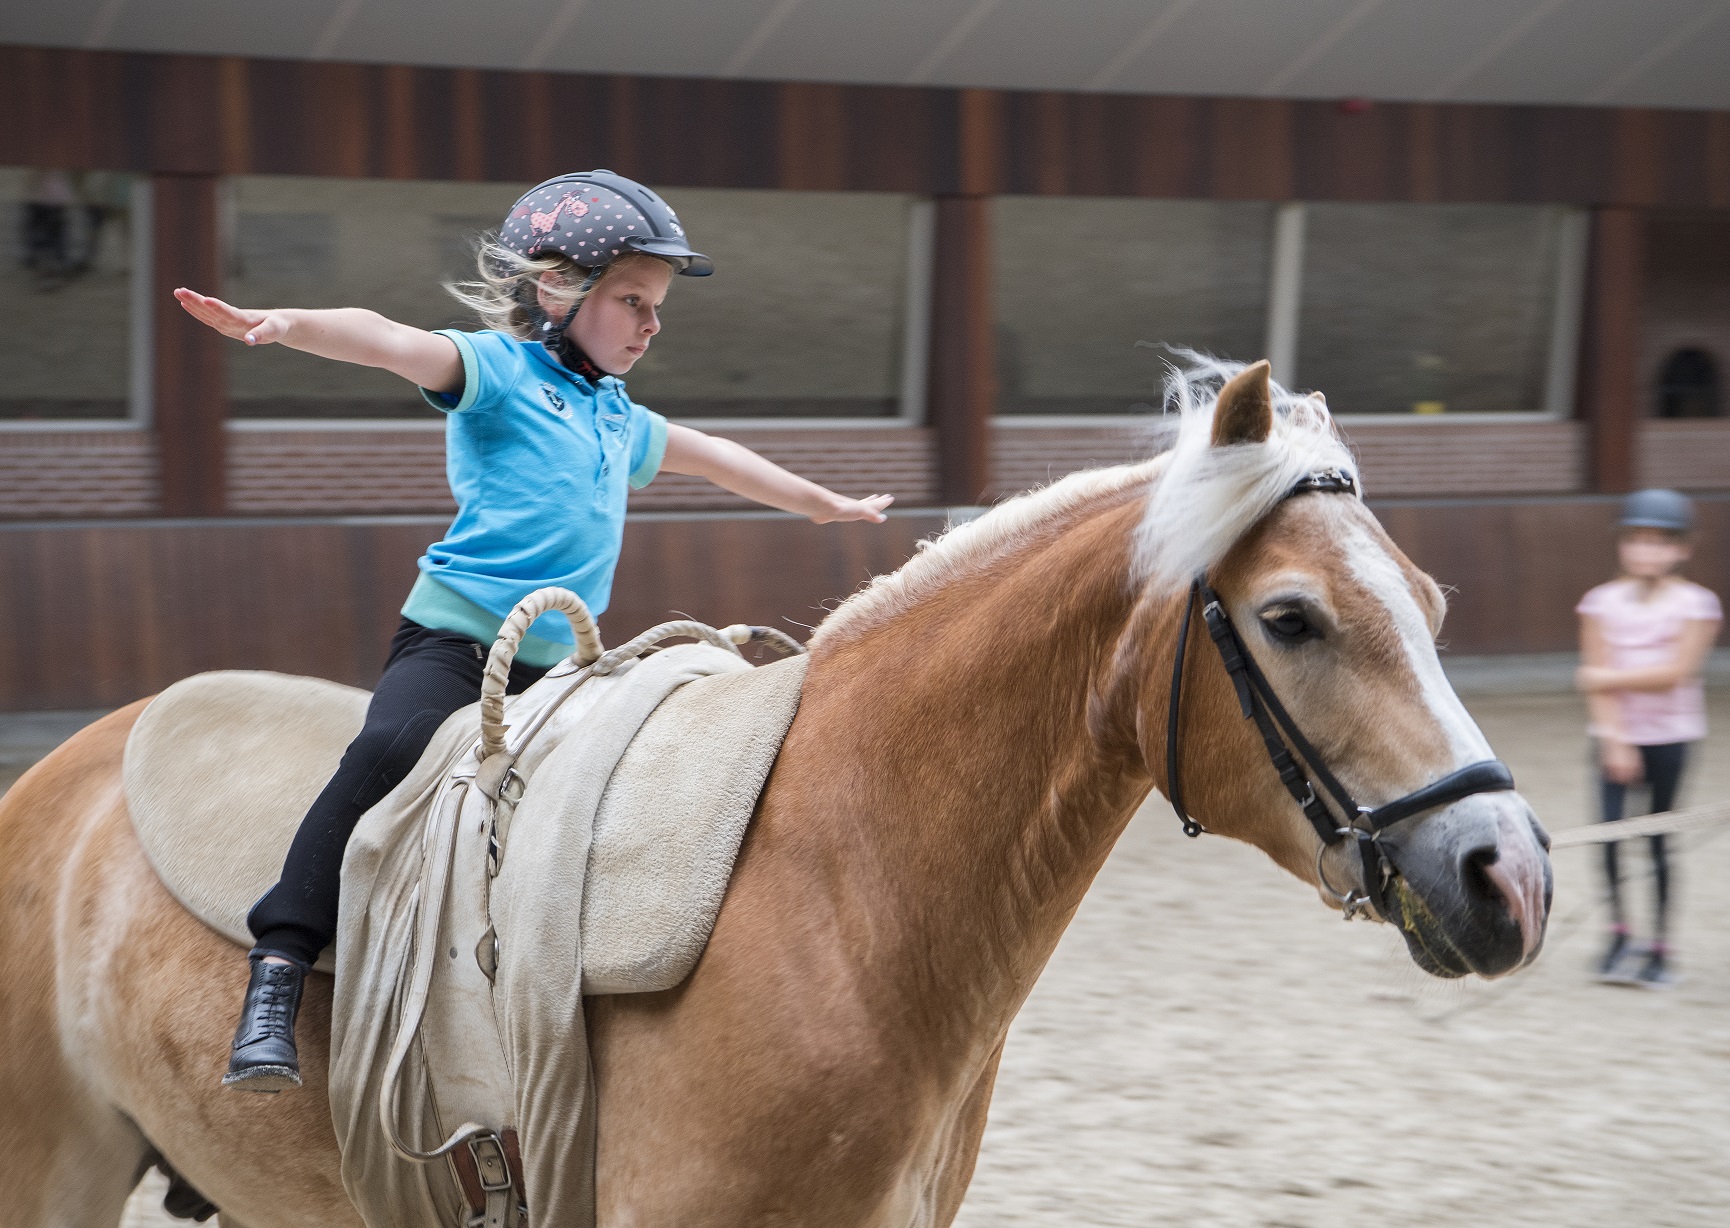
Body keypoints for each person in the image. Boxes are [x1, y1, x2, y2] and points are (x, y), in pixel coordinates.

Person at [175, 170, 894, 1090]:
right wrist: (289, 326)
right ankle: (277, 969)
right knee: (386, 751)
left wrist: (818, 505)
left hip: (563, 670)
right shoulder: (499, 374)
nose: (651, 323)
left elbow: (716, 458)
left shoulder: (616, 417)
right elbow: (393, 341)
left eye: (658, 306)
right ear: (557, 290)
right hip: (456, 651)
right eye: (632, 300)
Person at [1576, 489, 1721, 988]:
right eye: (1636, 540)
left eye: (1659, 543)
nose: (1646, 551)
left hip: (1670, 738)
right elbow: (1595, 678)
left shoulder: (1698, 605)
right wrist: (1615, 739)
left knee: (1657, 840)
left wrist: (1603, 678)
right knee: (1610, 840)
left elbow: (1675, 674)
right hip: (1614, 737)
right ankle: (1619, 936)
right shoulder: (1599, 603)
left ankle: (1659, 946)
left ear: (1681, 549)